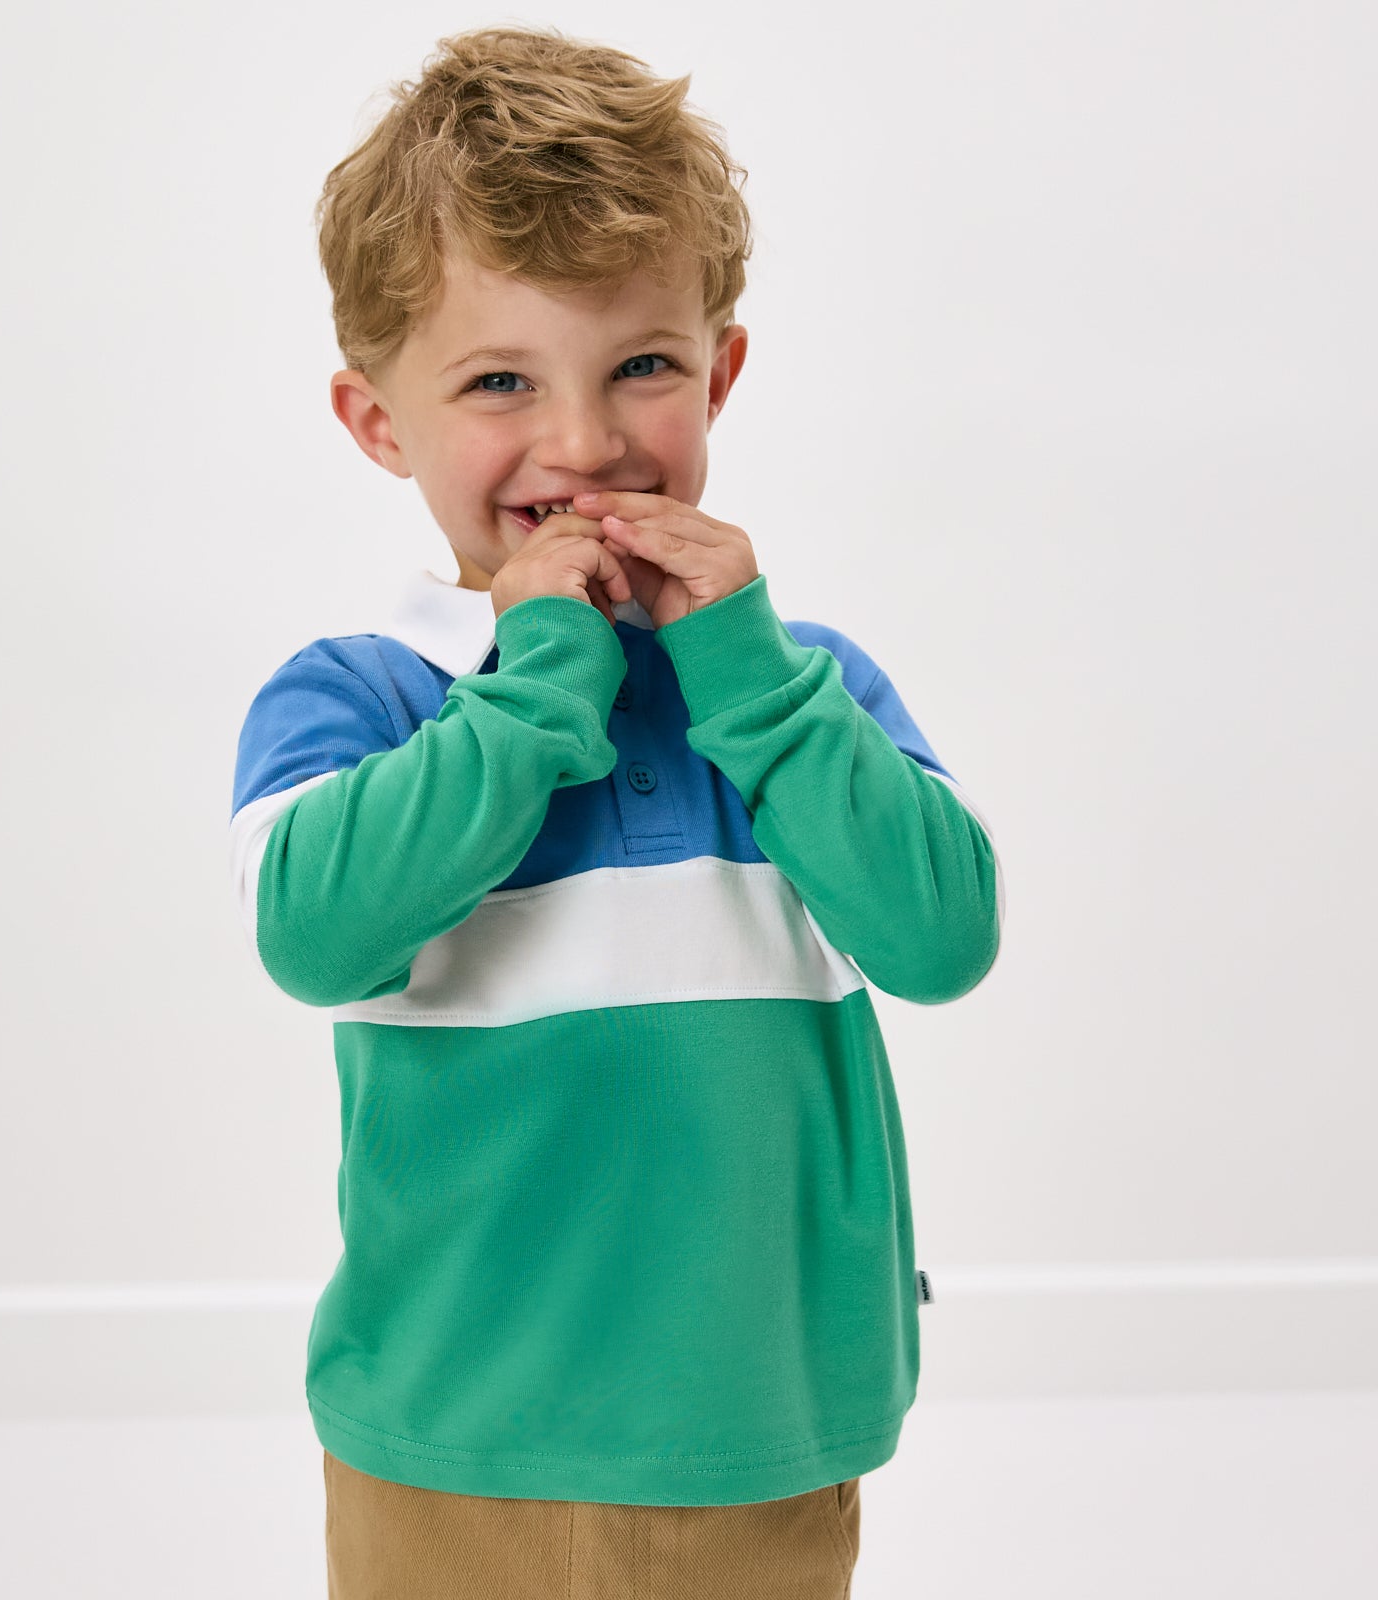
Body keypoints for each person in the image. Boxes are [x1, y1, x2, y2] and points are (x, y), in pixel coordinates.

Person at [229, 23, 1005, 1598]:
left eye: (642, 366)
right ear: (379, 422)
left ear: (720, 371)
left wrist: (751, 676)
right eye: (499, 381)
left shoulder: (798, 692)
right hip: (448, 1438)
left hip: (759, 1436)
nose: (583, 445)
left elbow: (941, 940)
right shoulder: (360, 699)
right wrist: (530, 691)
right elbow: (312, 936)